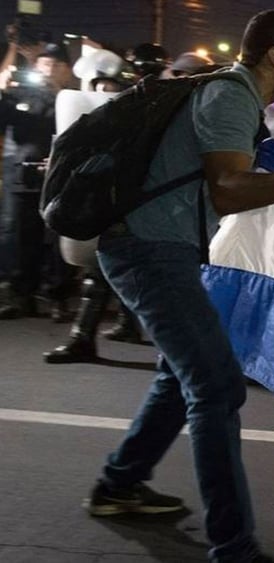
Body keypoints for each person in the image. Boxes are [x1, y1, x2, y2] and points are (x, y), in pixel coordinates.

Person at [80, 10, 274, 563]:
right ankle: (234, 547)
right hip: (147, 253)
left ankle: (118, 486)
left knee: (180, 375)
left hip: (161, 252)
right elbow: (230, 190)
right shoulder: (231, 95)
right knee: (216, 387)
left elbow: (230, 185)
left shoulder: (237, 99)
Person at [43, 49, 143, 364]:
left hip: (120, 196)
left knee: (103, 270)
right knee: (112, 267)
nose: (105, 90)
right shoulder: (134, 106)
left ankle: (82, 338)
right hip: (114, 196)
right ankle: (120, 326)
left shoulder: (135, 108)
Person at [0, 39, 76, 321]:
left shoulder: (73, 99)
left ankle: (58, 296)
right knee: (19, 236)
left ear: (67, 71)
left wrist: (59, 94)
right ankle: (21, 296)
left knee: (58, 239)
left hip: (59, 179)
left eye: (57, 65)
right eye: (44, 63)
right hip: (20, 176)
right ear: (35, 67)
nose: (49, 69)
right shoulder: (16, 95)